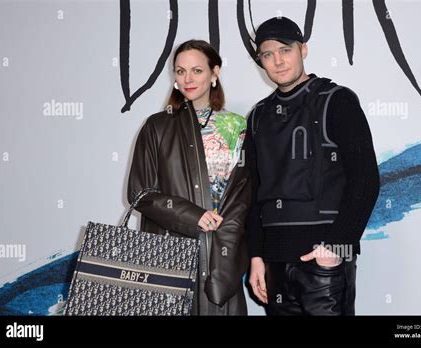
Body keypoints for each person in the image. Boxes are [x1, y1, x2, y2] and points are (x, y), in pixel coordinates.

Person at [246, 17, 380, 315]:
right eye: (268, 54)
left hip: (325, 262)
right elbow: (254, 194)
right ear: (261, 61)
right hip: (274, 264)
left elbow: (366, 179)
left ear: (303, 50)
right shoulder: (258, 116)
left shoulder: (337, 100)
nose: (278, 61)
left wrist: (336, 246)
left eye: (285, 50)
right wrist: (256, 256)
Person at [127, 39, 250, 315]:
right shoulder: (157, 126)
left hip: (222, 255)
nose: (187, 79)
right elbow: (140, 194)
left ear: (214, 72)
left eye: (197, 70)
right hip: (171, 253)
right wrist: (192, 215)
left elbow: (244, 195)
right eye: (180, 71)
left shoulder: (237, 126)